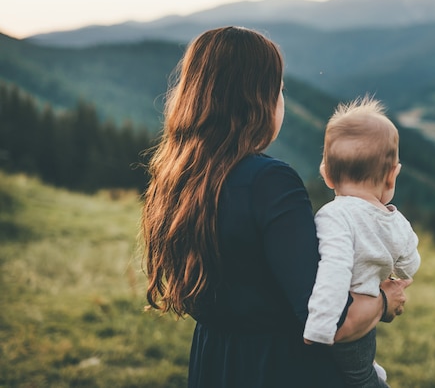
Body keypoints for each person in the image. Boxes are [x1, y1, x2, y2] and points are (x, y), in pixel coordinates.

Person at [141, 26, 412, 388]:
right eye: (279, 90)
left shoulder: (180, 178)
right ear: (257, 99)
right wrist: (384, 300)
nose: (282, 100)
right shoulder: (269, 182)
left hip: (215, 360)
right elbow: (325, 316)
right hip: (279, 368)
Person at [303, 96, 421, 387]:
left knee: (358, 378)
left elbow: (335, 270)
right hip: (367, 318)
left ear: (327, 175)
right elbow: (409, 265)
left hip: (342, 317)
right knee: (361, 369)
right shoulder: (396, 220)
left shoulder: (335, 215)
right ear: (392, 177)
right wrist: (400, 277)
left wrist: (319, 328)